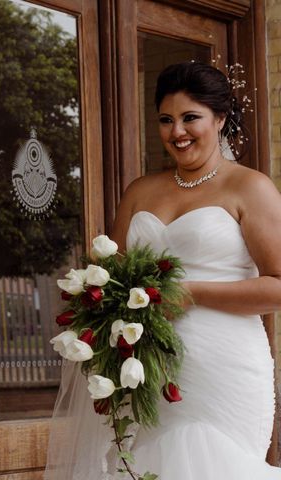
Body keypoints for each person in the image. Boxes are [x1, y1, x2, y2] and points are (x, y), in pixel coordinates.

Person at [44, 61, 281, 479]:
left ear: (220, 118)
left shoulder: (250, 187)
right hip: (143, 365)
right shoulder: (140, 190)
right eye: (166, 120)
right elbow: (111, 276)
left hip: (222, 367)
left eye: (191, 118)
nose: (177, 132)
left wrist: (189, 293)